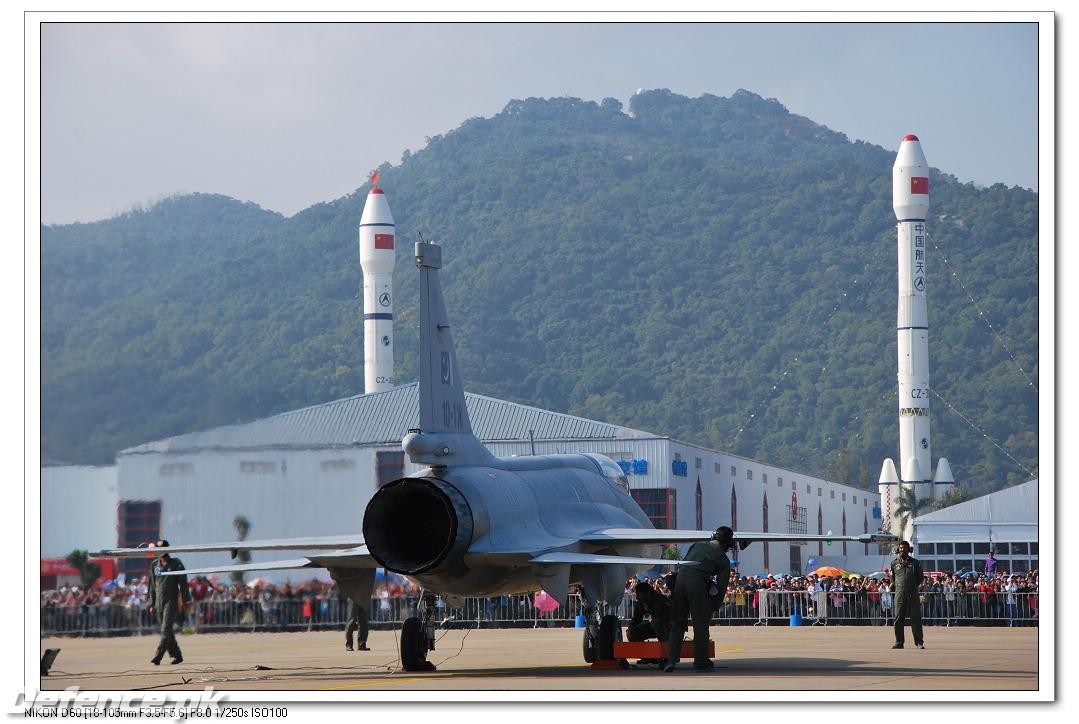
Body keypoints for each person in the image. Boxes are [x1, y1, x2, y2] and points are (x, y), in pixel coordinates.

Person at [665, 526, 734, 672]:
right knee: (701, 625)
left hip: (680, 580)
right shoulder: (722, 559)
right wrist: (714, 606)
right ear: (727, 543)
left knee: (677, 622)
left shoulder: (697, 545)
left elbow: (684, 563)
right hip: (696, 583)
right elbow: (721, 587)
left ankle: (670, 660)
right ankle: (700, 663)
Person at [148, 541, 191, 665]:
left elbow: (183, 583)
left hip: (171, 601)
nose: (159, 550)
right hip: (159, 602)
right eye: (157, 548)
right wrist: (151, 603)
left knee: (166, 628)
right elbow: (152, 586)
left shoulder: (176, 564)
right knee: (165, 630)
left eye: (161, 548)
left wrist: (186, 600)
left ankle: (158, 655)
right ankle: (177, 655)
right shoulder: (154, 565)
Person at [889, 541, 925, 649]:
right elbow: (893, 578)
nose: (902, 550)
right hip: (900, 594)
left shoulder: (915, 563)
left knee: (916, 618)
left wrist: (912, 586)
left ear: (908, 549)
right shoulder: (894, 563)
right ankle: (899, 642)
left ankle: (919, 642)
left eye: (904, 548)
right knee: (898, 618)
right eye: (900, 548)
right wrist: (900, 587)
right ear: (898, 549)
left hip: (913, 594)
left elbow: (920, 578)